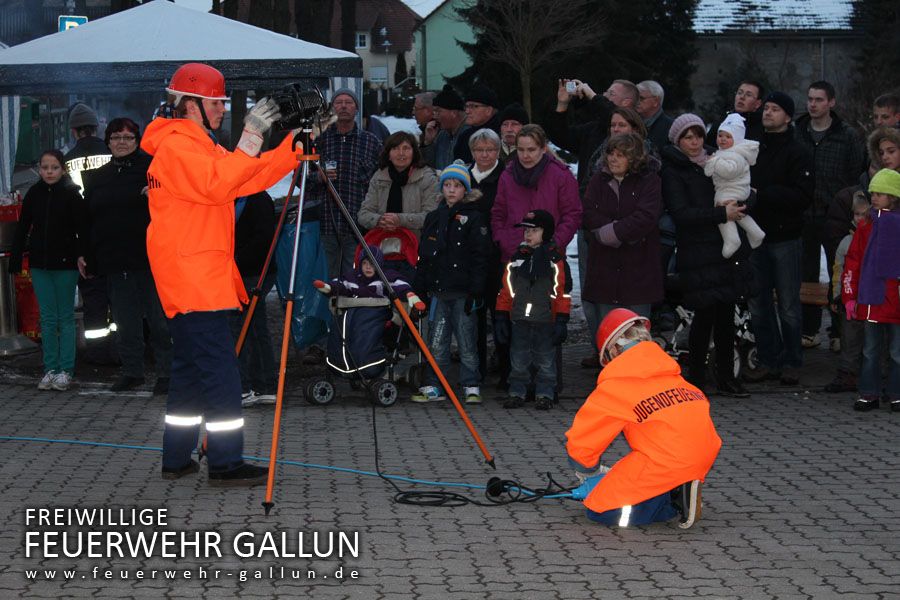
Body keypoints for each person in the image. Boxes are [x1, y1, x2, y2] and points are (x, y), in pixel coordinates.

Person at [141, 62, 298, 486]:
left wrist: (291, 151)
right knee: (220, 371)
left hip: (196, 273)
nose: (221, 111)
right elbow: (220, 182)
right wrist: (250, 137)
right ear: (189, 104)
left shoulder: (194, 145)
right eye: (215, 103)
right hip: (194, 276)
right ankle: (226, 463)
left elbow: (242, 179)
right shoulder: (179, 149)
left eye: (222, 103)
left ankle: (176, 458)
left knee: (192, 371)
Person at [565, 309, 722, 528]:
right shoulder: (674, 376)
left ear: (613, 350)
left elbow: (582, 444)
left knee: (599, 509)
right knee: (626, 476)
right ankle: (679, 485)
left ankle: (672, 499)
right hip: (702, 454)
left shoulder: (616, 386)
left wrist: (589, 473)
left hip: (666, 462)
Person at [661, 113, 756, 398]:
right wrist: (719, 213)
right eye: (688, 137)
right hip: (697, 249)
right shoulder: (673, 170)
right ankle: (697, 379)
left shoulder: (719, 159)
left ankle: (727, 376)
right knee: (703, 316)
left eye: (698, 135)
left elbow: (743, 185)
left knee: (727, 314)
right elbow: (681, 213)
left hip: (724, 247)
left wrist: (745, 202)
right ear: (678, 140)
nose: (694, 142)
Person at [78, 117, 172, 395]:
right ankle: (133, 371)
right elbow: (88, 219)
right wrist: (85, 254)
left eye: (127, 137)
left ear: (137, 141)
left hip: (150, 259)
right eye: (116, 137)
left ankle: (166, 372)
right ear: (108, 142)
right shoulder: (98, 176)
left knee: (158, 320)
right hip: (114, 259)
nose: (121, 142)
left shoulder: (152, 170)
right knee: (125, 320)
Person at [743, 92, 815, 386]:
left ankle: (792, 361)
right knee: (758, 302)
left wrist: (763, 196)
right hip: (753, 234)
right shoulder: (752, 147)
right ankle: (768, 359)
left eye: (775, 109)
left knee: (787, 304)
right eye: (767, 108)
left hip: (785, 236)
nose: (768, 112)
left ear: (787, 116)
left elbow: (802, 196)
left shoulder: (798, 151)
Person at [795, 81, 866, 349]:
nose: (813, 104)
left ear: (831, 103)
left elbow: (854, 173)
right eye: (810, 99)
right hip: (803, 213)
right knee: (807, 273)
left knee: (841, 271)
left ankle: (838, 331)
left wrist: (851, 207)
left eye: (819, 100)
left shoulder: (846, 135)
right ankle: (809, 329)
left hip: (836, 214)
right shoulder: (798, 132)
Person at [412, 163, 489, 404]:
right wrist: (420, 288)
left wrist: (477, 290)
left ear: (465, 189)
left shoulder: (475, 218)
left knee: (467, 341)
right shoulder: (435, 217)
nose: (451, 190)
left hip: (463, 291)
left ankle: (471, 384)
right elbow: (425, 255)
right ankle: (436, 385)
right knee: (437, 342)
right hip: (438, 290)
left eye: (456, 186)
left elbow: (481, 256)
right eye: (447, 185)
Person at [9, 150, 83, 392]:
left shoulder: (72, 194)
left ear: (62, 169)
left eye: (54, 167)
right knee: (48, 319)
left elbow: (84, 228)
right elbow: (23, 227)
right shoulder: (34, 194)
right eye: (45, 167)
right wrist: (17, 257)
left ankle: (66, 370)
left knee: (65, 318)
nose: (49, 172)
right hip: (40, 264)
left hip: (65, 264)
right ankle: (50, 369)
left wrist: (83, 255)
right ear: (39, 169)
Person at [581, 132, 662, 332]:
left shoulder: (649, 181)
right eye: (611, 153)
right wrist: (618, 231)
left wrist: (610, 232)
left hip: (638, 270)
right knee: (608, 334)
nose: (613, 158)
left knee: (637, 335)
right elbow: (588, 213)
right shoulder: (598, 180)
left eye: (621, 154)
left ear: (634, 158)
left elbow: (645, 217)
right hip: (604, 270)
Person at [494, 210, 570, 410]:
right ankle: (517, 391)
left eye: (534, 230)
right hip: (519, 318)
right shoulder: (517, 258)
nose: (528, 235)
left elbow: (562, 291)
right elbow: (506, 289)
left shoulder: (555, 260)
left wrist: (562, 319)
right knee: (518, 358)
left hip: (545, 319)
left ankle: (545, 393)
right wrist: (501, 315)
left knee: (545, 359)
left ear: (546, 233)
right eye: (526, 231)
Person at [307, 88, 382, 280]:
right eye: (338, 102)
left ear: (357, 108)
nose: (343, 106)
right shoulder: (319, 141)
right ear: (332, 109)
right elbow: (299, 179)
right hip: (325, 225)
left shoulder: (371, 142)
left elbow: (381, 183)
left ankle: (350, 311)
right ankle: (330, 311)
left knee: (354, 279)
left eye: (349, 102)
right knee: (326, 280)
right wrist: (319, 177)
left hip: (357, 225)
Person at [841, 169, 900, 412]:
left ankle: (896, 393)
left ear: (894, 197)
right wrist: (849, 295)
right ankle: (869, 392)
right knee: (870, 350)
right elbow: (853, 261)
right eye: (873, 193)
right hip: (871, 298)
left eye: (881, 194)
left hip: (895, 297)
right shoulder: (866, 227)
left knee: (897, 352)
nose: (874, 197)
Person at [64, 102, 115, 363]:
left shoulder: (66, 159)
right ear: (96, 128)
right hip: (111, 233)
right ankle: (120, 349)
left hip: (84, 236)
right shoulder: (111, 153)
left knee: (93, 297)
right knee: (117, 295)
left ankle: (97, 354)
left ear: (74, 131)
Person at [492, 124, 582, 263]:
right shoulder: (507, 176)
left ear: (544, 148)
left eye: (531, 150)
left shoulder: (561, 176)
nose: (525, 155)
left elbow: (572, 214)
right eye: (520, 150)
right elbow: (499, 213)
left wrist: (554, 243)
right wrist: (504, 240)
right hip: (513, 255)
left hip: (549, 256)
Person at [229, 191, 278, 408]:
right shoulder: (234, 198)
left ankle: (255, 384)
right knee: (251, 326)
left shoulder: (258, 200)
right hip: (241, 270)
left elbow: (263, 238)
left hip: (254, 272)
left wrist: (236, 259)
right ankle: (261, 384)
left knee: (248, 326)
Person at [467, 128, 507, 385]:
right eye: (480, 150)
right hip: (469, 257)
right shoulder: (462, 177)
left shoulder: (506, 176)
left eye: (490, 150)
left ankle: (506, 371)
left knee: (502, 315)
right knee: (473, 318)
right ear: (472, 152)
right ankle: (475, 372)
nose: (485, 154)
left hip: (497, 256)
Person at [825, 191, 870, 394]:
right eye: (856, 215)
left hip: (871, 299)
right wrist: (836, 295)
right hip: (850, 298)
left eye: (863, 214)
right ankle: (847, 373)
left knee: (873, 339)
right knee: (849, 338)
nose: (859, 219)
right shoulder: (845, 242)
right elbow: (838, 271)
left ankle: (874, 374)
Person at [357, 131, 440, 239]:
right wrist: (380, 220)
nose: (401, 153)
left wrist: (400, 220)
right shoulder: (379, 177)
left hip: (417, 244)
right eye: (395, 148)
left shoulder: (427, 178)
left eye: (406, 148)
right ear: (388, 155)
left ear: (414, 153)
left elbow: (432, 216)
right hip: (382, 243)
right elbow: (363, 214)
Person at [703, 113, 765, 258]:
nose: (723, 139)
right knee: (738, 213)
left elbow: (729, 171)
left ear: (736, 139)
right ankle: (756, 233)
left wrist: (714, 162)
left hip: (731, 190)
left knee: (721, 209)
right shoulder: (726, 152)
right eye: (720, 135)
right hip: (736, 190)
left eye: (728, 136)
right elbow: (711, 172)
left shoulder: (735, 154)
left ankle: (731, 239)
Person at [705, 80, 765, 146]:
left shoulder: (763, 128)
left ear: (758, 104)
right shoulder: (723, 121)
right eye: (739, 93)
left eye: (748, 95)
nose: (742, 97)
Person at [424, 85, 469, 170]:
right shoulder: (442, 135)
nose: (435, 116)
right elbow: (429, 168)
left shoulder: (470, 136)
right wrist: (428, 142)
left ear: (454, 113)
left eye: (438, 111)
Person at [455, 84, 501, 164]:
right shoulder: (464, 136)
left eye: (473, 106)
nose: (467, 111)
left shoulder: (500, 135)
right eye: (466, 106)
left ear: (488, 110)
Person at [636, 80, 674, 151]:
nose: (637, 101)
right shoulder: (630, 123)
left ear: (656, 101)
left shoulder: (671, 128)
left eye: (641, 98)